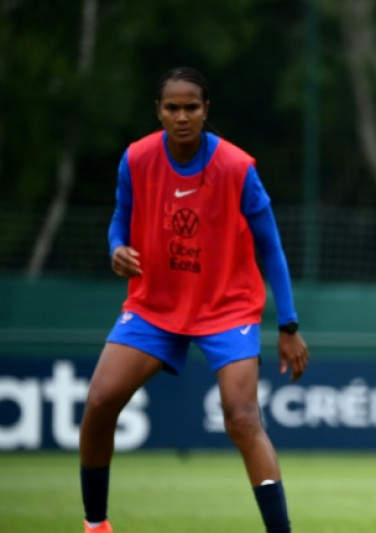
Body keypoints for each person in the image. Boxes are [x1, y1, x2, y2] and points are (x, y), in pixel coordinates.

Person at [79, 67, 309, 533]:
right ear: (159, 111)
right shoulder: (137, 158)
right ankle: (96, 524)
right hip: (153, 306)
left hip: (228, 308)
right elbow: (120, 220)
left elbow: (272, 248)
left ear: (206, 111)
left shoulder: (236, 167)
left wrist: (287, 325)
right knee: (100, 402)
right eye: (172, 107)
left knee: (242, 418)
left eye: (191, 107)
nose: (182, 116)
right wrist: (115, 248)